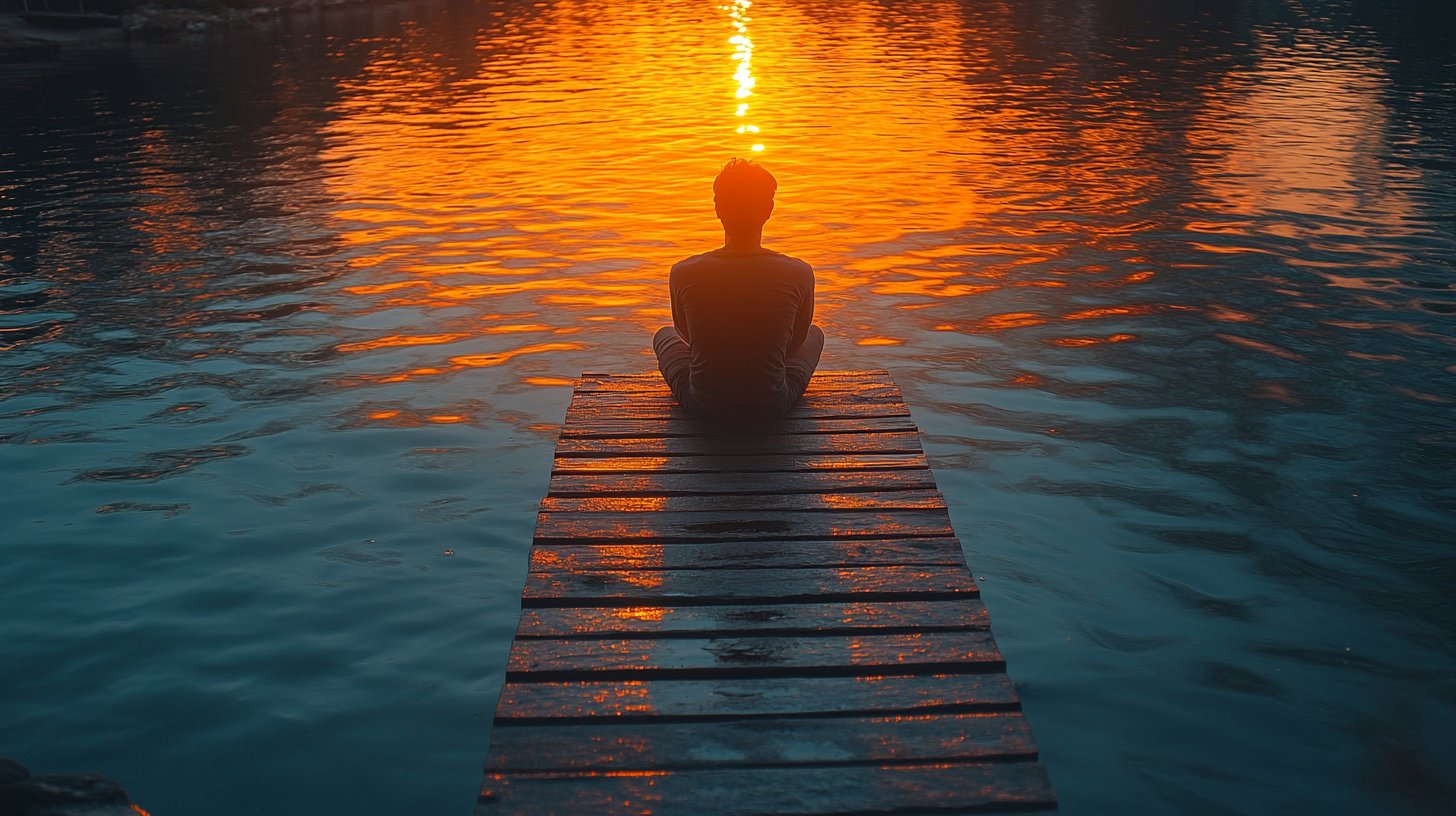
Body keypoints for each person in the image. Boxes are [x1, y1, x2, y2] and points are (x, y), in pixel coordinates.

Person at [653, 158, 825, 419]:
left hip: (704, 406)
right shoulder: (799, 272)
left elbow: (686, 335)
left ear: (717, 208)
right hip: (771, 405)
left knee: (664, 335)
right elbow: (796, 342)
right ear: (769, 209)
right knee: (815, 335)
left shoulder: (683, 272)